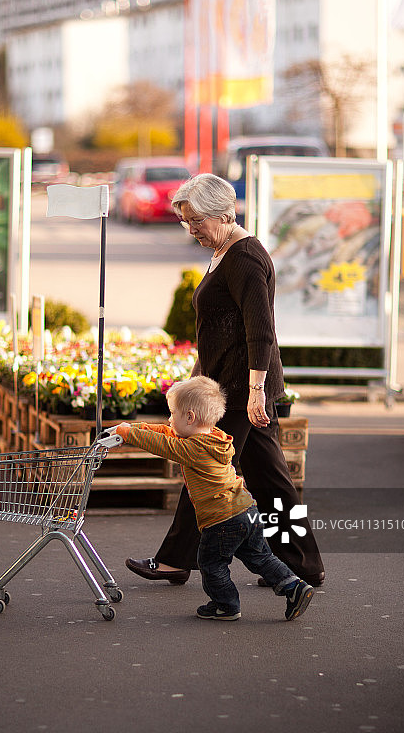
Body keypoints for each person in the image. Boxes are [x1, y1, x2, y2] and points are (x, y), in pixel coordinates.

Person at [126, 173, 325, 588]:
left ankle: (174, 560)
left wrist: (256, 392)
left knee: (202, 460)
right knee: (270, 479)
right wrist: (197, 377)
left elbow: (260, 331)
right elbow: (222, 326)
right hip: (226, 385)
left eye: (196, 220)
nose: (190, 229)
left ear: (223, 213)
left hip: (240, 390)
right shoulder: (224, 250)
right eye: (185, 221)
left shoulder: (246, 257)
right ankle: (303, 564)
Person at [117, 376, 314, 621]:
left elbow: (163, 445)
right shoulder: (212, 436)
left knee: (211, 564)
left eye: (172, 413)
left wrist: (129, 434)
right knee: (260, 557)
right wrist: (133, 429)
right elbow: (167, 433)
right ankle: (293, 585)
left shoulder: (194, 449)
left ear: (189, 418)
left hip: (222, 520)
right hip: (246, 510)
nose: (169, 419)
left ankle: (226, 605)